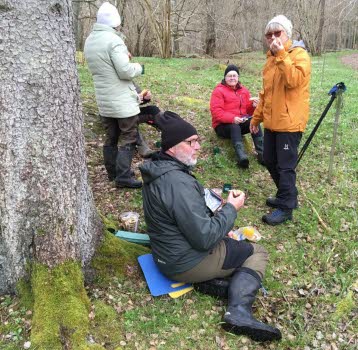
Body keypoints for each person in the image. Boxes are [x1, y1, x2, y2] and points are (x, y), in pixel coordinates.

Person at [139, 111, 281, 342]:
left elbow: (180, 211)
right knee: (256, 252)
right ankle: (238, 312)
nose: (197, 147)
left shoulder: (161, 170)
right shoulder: (177, 183)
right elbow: (205, 238)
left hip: (167, 254)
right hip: (184, 262)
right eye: (190, 142)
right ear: (172, 147)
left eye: (197, 141)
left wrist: (204, 199)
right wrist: (231, 208)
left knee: (229, 241)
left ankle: (213, 283)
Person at [84, 2, 160, 189]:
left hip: (104, 100)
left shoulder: (90, 40)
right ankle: (123, 177)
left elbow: (106, 68)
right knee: (129, 137)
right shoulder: (114, 40)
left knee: (111, 138)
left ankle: (112, 173)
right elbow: (124, 71)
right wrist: (139, 68)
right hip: (121, 101)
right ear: (115, 22)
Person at [250, 15, 311, 225]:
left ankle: (286, 207)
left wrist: (281, 54)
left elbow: (294, 80)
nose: (273, 38)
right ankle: (287, 195)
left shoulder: (299, 55)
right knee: (268, 159)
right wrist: (256, 118)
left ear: (288, 34)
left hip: (290, 122)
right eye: (269, 34)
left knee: (285, 167)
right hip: (272, 121)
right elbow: (265, 93)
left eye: (278, 33)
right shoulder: (270, 59)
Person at [210, 65, 264, 168]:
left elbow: (247, 111)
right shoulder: (219, 91)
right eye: (229, 76)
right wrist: (232, 119)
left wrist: (253, 107)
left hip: (240, 122)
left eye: (234, 76)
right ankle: (241, 157)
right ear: (225, 78)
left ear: (238, 77)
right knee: (234, 126)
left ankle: (262, 154)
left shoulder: (243, 91)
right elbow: (216, 112)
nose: (232, 78)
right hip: (222, 126)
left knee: (254, 121)